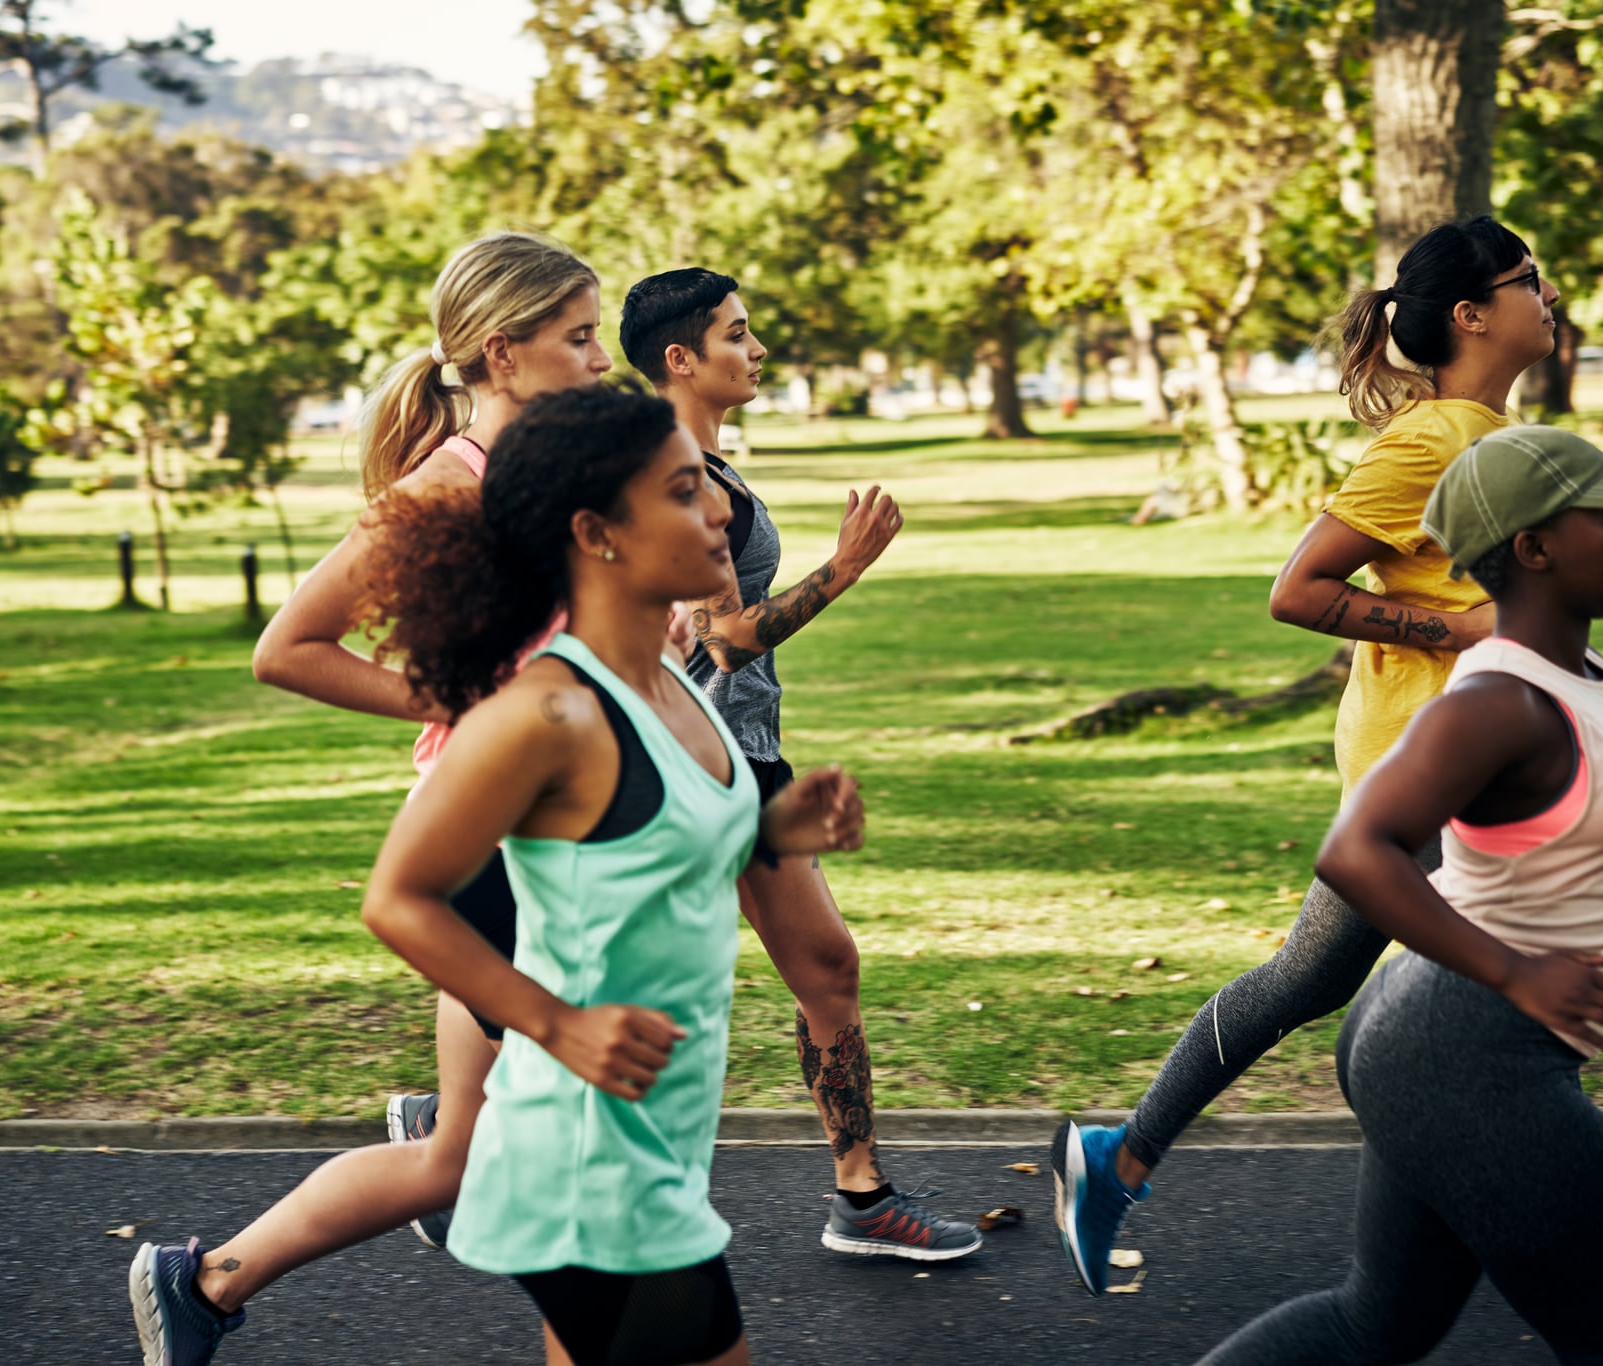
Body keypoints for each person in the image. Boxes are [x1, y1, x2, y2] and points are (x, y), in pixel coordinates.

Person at [1052, 216, 1603, 1316]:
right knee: (1501, 1003)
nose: (1549, 292)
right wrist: (1461, 634)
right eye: (1528, 278)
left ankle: (1120, 1159)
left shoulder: (1484, 430)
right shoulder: (1426, 441)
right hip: (1432, 765)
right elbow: (1298, 590)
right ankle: (1597, 1258)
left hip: (1478, 763)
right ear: (1470, 315)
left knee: (1369, 995)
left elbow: (1498, 570)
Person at [131, 384, 870, 1366]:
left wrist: (776, 827)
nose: (723, 511)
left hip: (655, 1141)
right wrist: (555, 1023)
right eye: (685, 490)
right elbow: (398, 897)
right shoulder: (544, 711)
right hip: (588, 1165)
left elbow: (653, 854)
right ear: (596, 534)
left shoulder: (656, 687)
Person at [1197, 425, 1603, 1364]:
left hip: (1435, 1040)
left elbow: (1580, 826)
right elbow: (1354, 851)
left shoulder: (1579, 674)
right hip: (1469, 1055)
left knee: (1378, 1325)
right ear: (1533, 548)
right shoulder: (1492, 702)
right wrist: (1518, 973)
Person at [249, 231, 611, 1249]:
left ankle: (209, 1282)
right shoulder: (446, 488)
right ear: (503, 351)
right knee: (570, 1129)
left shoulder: (549, 470)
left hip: (567, 815)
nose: (597, 357)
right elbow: (287, 648)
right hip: (488, 829)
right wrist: (448, 699)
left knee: (498, 1144)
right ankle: (211, 1276)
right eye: (577, 337)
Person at [618, 267, 982, 1261]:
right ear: (680, 358)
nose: (759, 349)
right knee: (638, 1000)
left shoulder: (706, 465)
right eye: (739, 333)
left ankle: (860, 1198)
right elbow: (711, 646)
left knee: (826, 968)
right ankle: (461, 1130)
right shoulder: (670, 473)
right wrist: (844, 566)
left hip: (746, 764)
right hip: (691, 771)